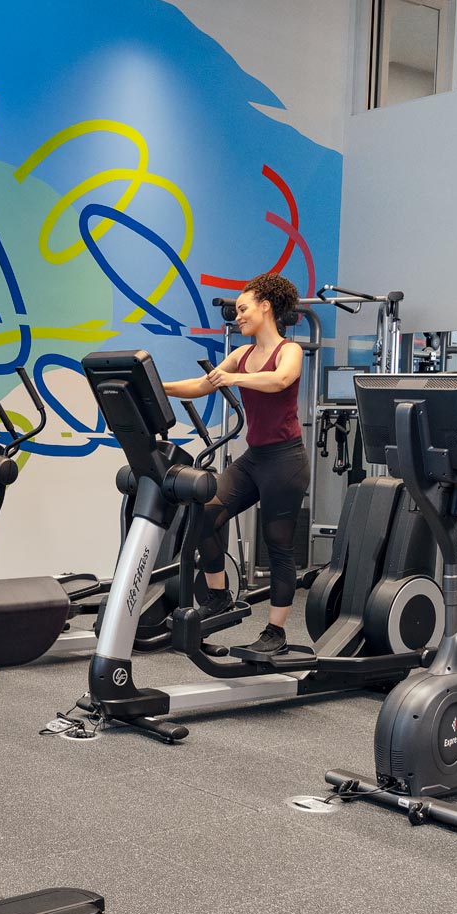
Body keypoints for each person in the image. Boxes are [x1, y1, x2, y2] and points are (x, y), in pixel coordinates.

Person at [160, 272, 308, 657]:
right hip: (255, 457)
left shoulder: (288, 350)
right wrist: (154, 385)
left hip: (286, 460)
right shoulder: (241, 355)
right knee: (206, 511)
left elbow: (280, 380)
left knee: (277, 543)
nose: (237, 316)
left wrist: (234, 376)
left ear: (265, 306)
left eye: (243, 309)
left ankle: (276, 632)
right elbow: (200, 385)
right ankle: (219, 595)